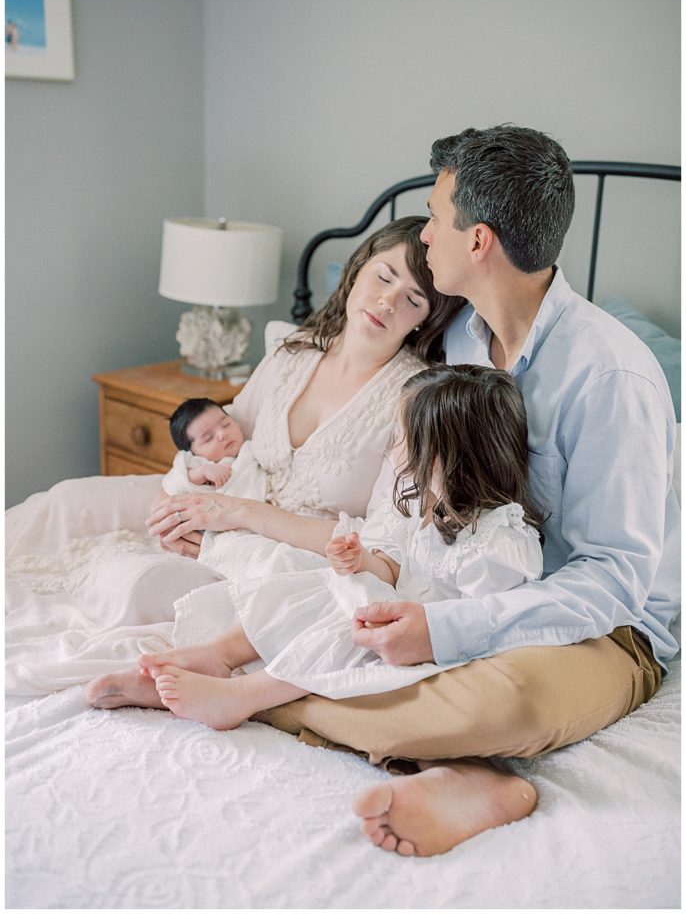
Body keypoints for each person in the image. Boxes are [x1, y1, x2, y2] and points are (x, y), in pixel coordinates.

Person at [217, 124, 676, 858]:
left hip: (605, 628)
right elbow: (357, 372)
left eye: (434, 216)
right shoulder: (458, 342)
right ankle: (472, 773)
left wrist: (445, 632)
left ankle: (265, 698)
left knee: (509, 697)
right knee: (319, 607)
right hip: (448, 584)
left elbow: (615, 580)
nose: (423, 236)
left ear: (479, 241)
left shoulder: (610, 376)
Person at [6, 217, 463, 695]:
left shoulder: (413, 401)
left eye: (413, 298)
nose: (387, 301)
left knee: (140, 582)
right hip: (223, 506)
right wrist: (190, 485)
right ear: (357, 270)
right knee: (63, 501)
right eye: (384, 276)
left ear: (424, 319)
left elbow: (383, 550)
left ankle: (180, 668)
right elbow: (230, 430)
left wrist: (235, 514)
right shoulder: (294, 352)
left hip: (291, 557)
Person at [137, 363, 544, 727]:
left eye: (400, 438)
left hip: (420, 642)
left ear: (440, 455)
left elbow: (490, 622)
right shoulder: (426, 506)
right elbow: (400, 570)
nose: (392, 449)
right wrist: (362, 561)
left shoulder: (498, 540)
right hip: (392, 609)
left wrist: (415, 625)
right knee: (320, 584)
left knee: (344, 626)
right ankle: (221, 653)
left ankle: (244, 697)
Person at [162, 397, 267, 501]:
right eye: (208, 438)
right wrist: (200, 473)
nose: (222, 434)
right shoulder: (196, 463)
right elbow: (172, 485)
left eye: (226, 425)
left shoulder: (250, 448)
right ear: (193, 452)